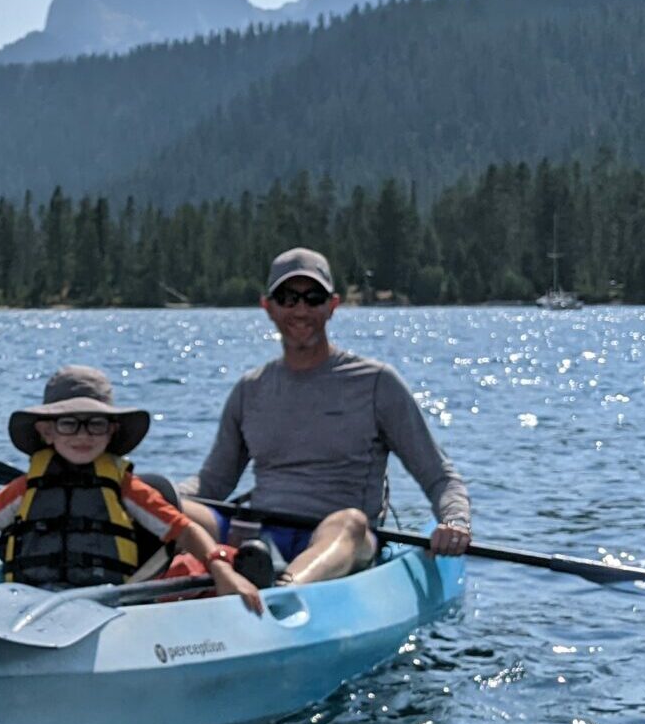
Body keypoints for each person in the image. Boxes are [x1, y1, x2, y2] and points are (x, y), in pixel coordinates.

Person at [178, 247, 471, 586]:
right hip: (258, 534)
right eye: (287, 298)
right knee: (167, 506)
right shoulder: (250, 390)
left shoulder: (377, 383)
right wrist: (160, 496)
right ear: (268, 307)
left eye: (313, 297)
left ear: (332, 306)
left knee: (348, 521)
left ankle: (285, 589)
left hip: (340, 539)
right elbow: (212, 484)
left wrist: (455, 522)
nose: (300, 309)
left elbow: (438, 475)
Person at [0, 365, 264, 614]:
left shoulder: (126, 488)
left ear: (112, 430)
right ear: (46, 431)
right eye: (69, 424)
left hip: (102, 605)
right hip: (28, 604)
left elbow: (183, 529)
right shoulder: (23, 490)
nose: (83, 435)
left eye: (94, 424)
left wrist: (218, 567)